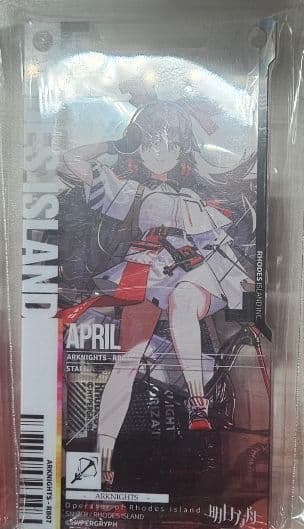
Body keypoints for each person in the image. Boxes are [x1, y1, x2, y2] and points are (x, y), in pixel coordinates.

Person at [60, 97, 255, 485]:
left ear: (183, 149)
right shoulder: (128, 192)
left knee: (183, 300)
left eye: (170, 144)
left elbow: (224, 244)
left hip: (198, 272)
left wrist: (251, 288)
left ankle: (197, 402)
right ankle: (103, 457)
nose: (160, 152)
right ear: (139, 148)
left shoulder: (200, 196)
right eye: (150, 143)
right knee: (126, 362)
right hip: (145, 274)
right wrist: (117, 145)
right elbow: (71, 159)